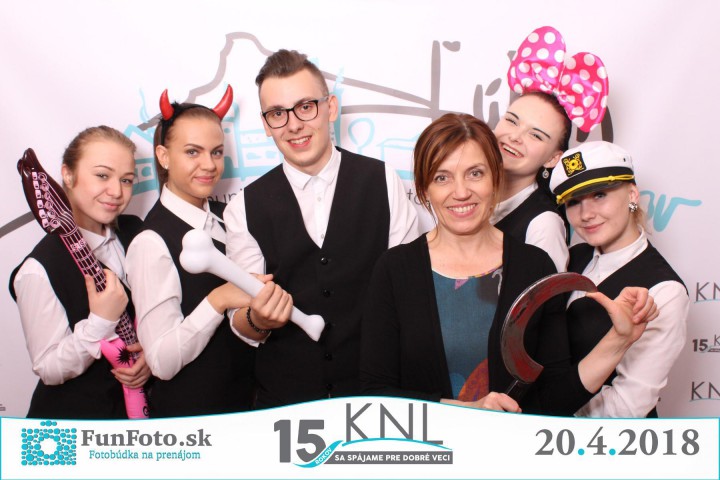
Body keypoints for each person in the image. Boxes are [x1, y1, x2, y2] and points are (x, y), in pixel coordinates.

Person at [360, 113, 658, 415]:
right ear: (424, 189)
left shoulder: (535, 267)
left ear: (495, 178)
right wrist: (467, 410)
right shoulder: (394, 270)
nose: (461, 192)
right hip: (423, 444)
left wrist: (619, 340)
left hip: (515, 446)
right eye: (442, 177)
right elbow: (375, 391)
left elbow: (554, 399)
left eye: (475, 173)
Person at [224, 49, 420, 408]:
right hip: (286, 403)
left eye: (305, 107)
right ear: (266, 125)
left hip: (377, 395)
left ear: (330, 108)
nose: (293, 125)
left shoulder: (383, 181)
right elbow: (241, 323)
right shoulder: (243, 207)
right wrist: (258, 319)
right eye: (278, 114)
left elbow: (409, 296)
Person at [126, 87, 278, 417]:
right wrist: (218, 300)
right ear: (164, 156)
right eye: (192, 152)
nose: (208, 165)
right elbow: (161, 362)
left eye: (216, 152)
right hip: (194, 424)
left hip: (250, 409)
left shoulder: (230, 218)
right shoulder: (151, 242)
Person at [9, 126, 151, 418]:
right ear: (68, 175)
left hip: (143, 421)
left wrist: (151, 354)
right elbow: (48, 368)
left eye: (126, 180)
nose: (117, 192)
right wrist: (100, 322)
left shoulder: (136, 231)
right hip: (76, 427)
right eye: (102, 175)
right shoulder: (39, 269)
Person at [550, 141, 689, 417]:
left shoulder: (665, 290)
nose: (586, 214)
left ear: (632, 195)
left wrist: (548, 409)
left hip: (603, 440)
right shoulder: (572, 257)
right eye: (573, 202)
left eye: (599, 195)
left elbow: (625, 407)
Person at [491, 26, 610, 273]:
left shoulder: (544, 225)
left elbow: (545, 297)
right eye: (512, 121)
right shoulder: (468, 192)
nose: (515, 137)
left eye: (535, 135)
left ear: (554, 158)